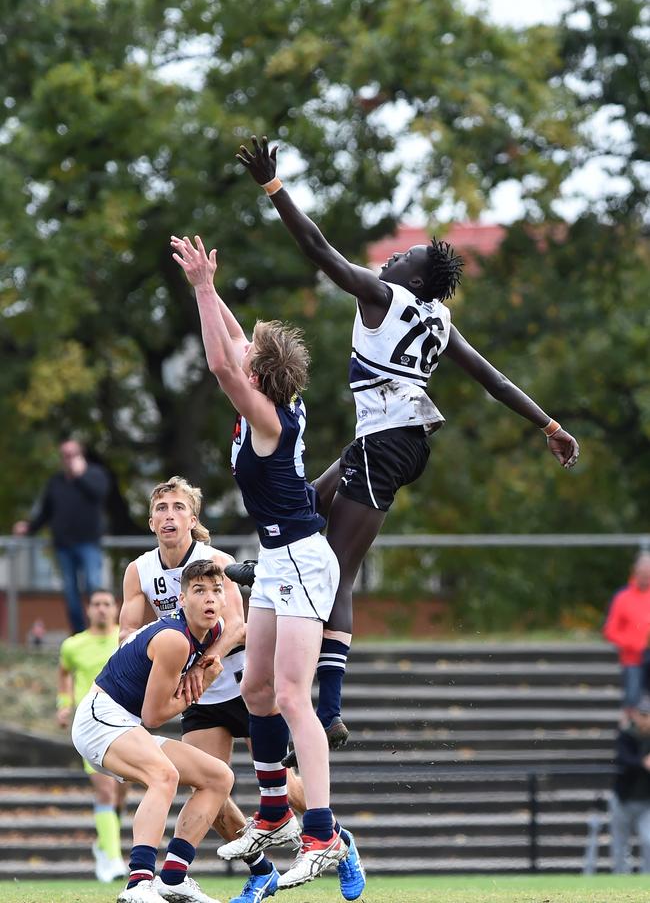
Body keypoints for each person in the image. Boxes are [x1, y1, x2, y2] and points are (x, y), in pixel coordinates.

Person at [236, 135, 581, 759]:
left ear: (412, 278)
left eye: (403, 256)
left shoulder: (384, 297)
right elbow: (494, 380)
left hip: (389, 440)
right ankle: (262, 569)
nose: (392, 258)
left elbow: (319, 249)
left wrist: (273, 188)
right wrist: (549, 424)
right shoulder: (439, 321)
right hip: (397, 440)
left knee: (334, 566)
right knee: (306, 502)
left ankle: (329, 708)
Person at [171, 234, 365, 897]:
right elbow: (233, 344)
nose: (237, 347)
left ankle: (323, 835)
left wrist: (201, 289)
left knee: (287, 694)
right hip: (277, 557)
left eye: (249, 353)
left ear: (258, 374)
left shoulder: (268, 418)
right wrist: (212, 283)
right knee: (253, 690)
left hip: (306, 559)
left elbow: (224, 364)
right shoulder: (268, 405)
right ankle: (276, 812)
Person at [119, 475, 307, 903]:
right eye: (162, 509)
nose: (170, 516)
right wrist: (152, 653)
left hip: (242, 684)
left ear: (193, 518)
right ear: (151, 522)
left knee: (284, 784)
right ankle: (261, 870)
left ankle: (333, 838)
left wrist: (202, 658)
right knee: (209, 786)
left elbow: (239, 626)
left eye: (178, 508)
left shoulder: (216, 561)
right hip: (199, 694)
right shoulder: (140, 571)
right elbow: (128, 631)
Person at [71, 558, 234, 903]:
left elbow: (239, 629)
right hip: (100, 718)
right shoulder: (174, 639)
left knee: (218, 777)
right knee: (164, 775)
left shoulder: (215, 629)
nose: (209, 598)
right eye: (199, 590)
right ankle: (138, 883)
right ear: (182, 597)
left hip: (125, 723)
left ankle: (173, 877)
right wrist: (202, 682)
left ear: (225, 600)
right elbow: (154, 715)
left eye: (216, 591)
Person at [58, 588, 128, 883]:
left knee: (121, 793)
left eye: (107, 604)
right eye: (96, 604)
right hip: (91, 727)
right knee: (105, 791)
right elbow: (64, 674)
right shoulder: (73, 645)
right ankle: (113, 859)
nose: (101, 609)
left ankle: (103, 845)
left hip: (126, 723)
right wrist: (64, 705)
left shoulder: (125, 639)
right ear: (88, 610)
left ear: (116, 608)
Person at [13, 437, 110, 634]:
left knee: (93, 586)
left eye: (72, 455)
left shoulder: (94, 475)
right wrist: (29, 528)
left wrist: (80, 476)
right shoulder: (56, 482)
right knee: (70, 594)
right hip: (64, 546)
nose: (68, 459)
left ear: (81, 456)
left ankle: (99, 631)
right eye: (65, 456)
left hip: (89, 544)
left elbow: (100, 494)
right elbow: (45, 512)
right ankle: (79, 634)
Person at [603, 553, 650, 717]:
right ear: (635, 573)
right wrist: (633, 644)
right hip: (633, 658)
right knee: (632, 699)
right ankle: (631, 735)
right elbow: (610, 631)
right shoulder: (623, 598)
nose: (646, 579)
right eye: (643, 574)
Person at [610, 693, 650, 873]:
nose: (644, 720)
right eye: (642, 715)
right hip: (624, 798)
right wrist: (643, 763)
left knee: (648, 840)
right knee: (620, 844)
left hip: (646, 800)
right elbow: (623, 759)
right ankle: (621, 882)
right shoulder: (626, 735)